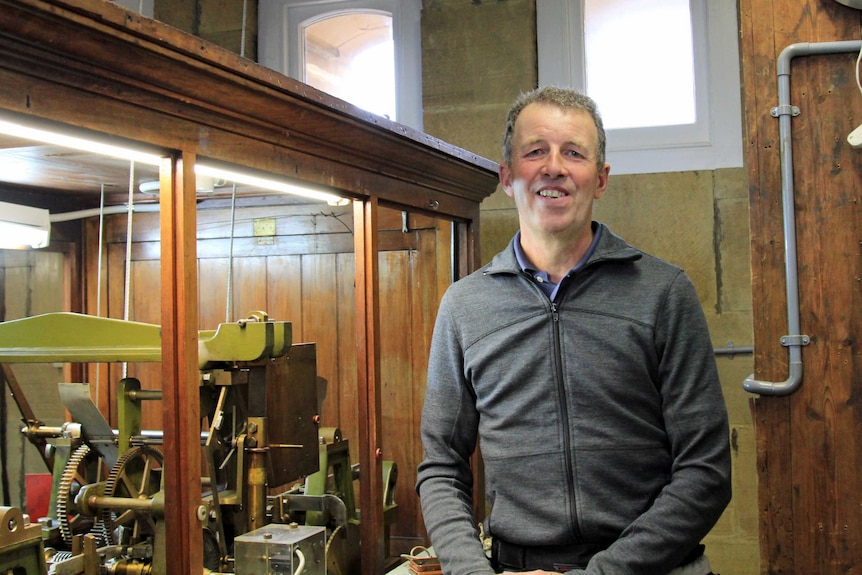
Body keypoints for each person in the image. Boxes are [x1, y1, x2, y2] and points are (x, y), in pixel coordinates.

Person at [415, 86, 732, 575]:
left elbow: (706, 470)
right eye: (535, 151)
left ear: (600, 179)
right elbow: (441, 466)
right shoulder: (464, 307)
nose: (554, 167)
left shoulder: (664, 293)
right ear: (507, 176)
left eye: (574, 153)